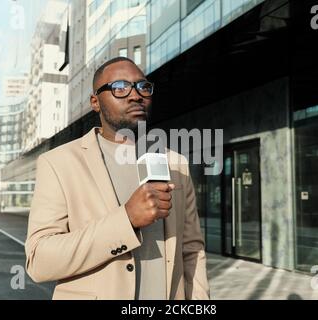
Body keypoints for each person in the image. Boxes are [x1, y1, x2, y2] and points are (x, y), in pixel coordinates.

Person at [25, 57, 209, 300]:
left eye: (143, 87)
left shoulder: (175, 163)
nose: (135, 95)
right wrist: (127, 219)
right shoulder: (59, 163)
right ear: (95, 102)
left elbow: (191, 250)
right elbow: (39, 260)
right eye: (120, 88)